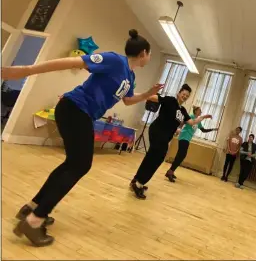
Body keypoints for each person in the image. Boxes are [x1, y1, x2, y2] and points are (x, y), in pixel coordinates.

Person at [2, 29, 161, 247]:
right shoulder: (115, 61)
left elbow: (128, 100)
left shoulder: (129, 76)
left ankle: (33, 207)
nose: (149, 58)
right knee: (80, 165)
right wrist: (28, 70)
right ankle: (34, 220)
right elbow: (73, 62)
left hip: (82, 114)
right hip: (74, 108)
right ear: (144, 53)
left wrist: (147, 93)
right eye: (149, 54)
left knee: (73, 164)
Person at [130, 84, 212, 199]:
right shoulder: (170, 100)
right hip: (158, 131)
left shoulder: (183, 111)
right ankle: (139, 184)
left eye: (187, 96)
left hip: (165, 137)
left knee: (151, 157)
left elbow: (192, 122)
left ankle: (136, 180)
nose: (185, 97)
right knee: (156, 158)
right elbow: (152, 97)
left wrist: (203, 117)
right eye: (183, 94)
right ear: (179, 93)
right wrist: (132, 94)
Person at [165, 106, 218, 182]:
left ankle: (171, 171)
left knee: (181, 156)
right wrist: (178, 129)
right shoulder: (191, 116)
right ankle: (170, 172)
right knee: (181, 155)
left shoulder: (198, 121)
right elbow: (183, 122)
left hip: (187, 139)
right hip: (183, 137)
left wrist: (213, 129)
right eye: (200, 110)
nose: (201, 112)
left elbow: (203, 130)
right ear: (195, 111)